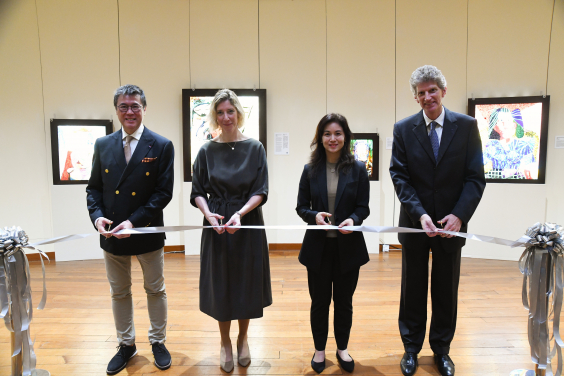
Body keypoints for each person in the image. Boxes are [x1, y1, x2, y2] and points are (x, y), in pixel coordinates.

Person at [389, 65, 486, 376]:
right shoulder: (403, 129)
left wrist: (459, 215)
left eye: (432, 90)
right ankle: (411, 349)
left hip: (451, 226)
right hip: (416, 225)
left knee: (446, 289)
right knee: (413, 289)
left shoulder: (467, 126)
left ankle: (442, 350)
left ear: (443, 91)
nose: (427, 96)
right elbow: (400, 176)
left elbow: (475, 178)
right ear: (416, 98)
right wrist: (420, 215)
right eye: (421, 93)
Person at [86, 84, 174, 375]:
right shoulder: (102, 144)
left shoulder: (161, 145)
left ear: (144, 108)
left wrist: (134, 222)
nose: (130, 111)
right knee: (119, 292)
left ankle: (158, 341)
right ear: (116, 111)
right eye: (123, 106)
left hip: (146, 230)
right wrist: (97, 217)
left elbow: (163, 193)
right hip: (111, 232)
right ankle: (126, 345)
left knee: (155, 289)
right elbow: (94, 189)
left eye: (135, 105)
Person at [190, 89, 272, 373]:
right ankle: (224, 341)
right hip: (217, 225)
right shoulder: (206, 150)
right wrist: (208, 214)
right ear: (214, 116)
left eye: (230, 111)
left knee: (246, 283)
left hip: (246, 222)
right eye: (220, 112)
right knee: (222, 284)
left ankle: (243, 337)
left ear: (239, 113)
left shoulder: (255, 147)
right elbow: (198, 191)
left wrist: (239, 214)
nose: (226, 118)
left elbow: (261, 190)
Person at [296, 113, 370, 374]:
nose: (333, 138)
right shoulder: (310, 170)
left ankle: (342, 349)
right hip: (318, 248)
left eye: (338, 133)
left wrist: (353, 219)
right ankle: (319, 350)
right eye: (327, 134)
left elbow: (363, 207)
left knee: (344, 301)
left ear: (346, 137)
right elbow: (301, 207)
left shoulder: (359, 169)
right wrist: (313, 216)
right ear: (320, 138)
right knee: (319, 301)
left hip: (348, 248)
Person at [483, 108, 536, 179]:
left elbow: (530, 168)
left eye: (508, 120)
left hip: (516, 180)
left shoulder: (522, 145)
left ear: (514, 125)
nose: (505, 125)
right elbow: (478, 164)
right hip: (494, 180)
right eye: (501, 121)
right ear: (495, 126)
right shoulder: (492, 145)